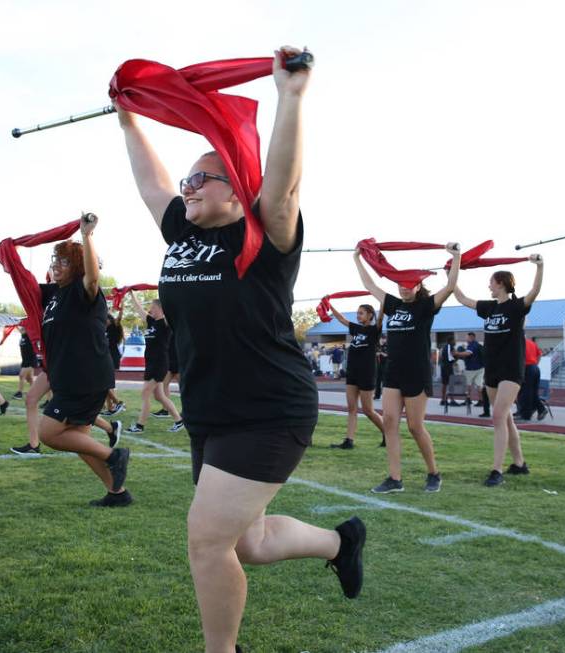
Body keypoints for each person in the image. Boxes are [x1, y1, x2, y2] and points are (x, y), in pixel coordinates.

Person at [117, 46, 363, 653]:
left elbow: (282, 188)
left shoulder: (262, 233)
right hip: (210, 411)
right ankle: (341, 542)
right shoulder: (182, 229)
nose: (188, 187)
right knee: (246, 543)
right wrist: (129, 119)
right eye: (188, 180)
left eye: (203, 178)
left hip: (269, 409)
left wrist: (291, 97)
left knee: (206, 540)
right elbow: (151, 184)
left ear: (235, 185)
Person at [34, 215, 129, 504]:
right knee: (78, 441)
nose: (56, 266)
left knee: (48, 433)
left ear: (75, 266)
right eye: (55, 261)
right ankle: (117, 493)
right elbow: (27, 286)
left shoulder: (83, 291)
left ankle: (114, 454)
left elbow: (92, 277)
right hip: (69, 377)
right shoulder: (55, 295)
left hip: (84, 378)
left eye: (63, 262)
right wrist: (9, 259)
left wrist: (87, 237)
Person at [356, 243, 462, 493]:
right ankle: (395, 478)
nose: (403, 288)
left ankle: (434, 473)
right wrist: (358, 260)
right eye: (400, 284)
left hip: (417, 373)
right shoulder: (393, 305)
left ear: (417, 286)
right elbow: (370, 286)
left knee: (415, 426)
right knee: (390, 422)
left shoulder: (425, 307)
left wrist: (456, 258)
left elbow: (449, 287)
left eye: (408, 285)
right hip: (393, 372)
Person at [454, 256, 543, 485]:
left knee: (498, 416)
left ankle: (497, 471)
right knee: (506, 419)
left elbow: (534, 291)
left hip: (511, 370)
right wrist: (452, 270)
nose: (489, 286)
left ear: (501, 283)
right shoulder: (489, 307)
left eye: (491, 282)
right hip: (491, 369)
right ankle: (519, 464)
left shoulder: (515, 307)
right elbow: (462, 298)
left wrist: (539, 266)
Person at [326, 302, 385, 450]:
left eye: (361, 313)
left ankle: (389, 434)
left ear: (370, 315)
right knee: (351, 408)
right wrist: (330, 306)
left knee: (368, 410)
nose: (358, 315)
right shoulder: (356, 329)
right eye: (357, 313)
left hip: (367, 373)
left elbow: (379, 320)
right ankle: (349, 441)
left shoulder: (374, 330)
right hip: (352, 372)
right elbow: (342, 319)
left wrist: (383, 303)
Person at [124, 292, 184, 433]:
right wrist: (132, 296)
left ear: (161, 309)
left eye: (153, 308)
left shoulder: (165, 323)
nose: (150, 310)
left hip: (159, 363)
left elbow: (172, 311)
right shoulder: (151, 321)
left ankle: (139, 426)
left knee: (145, 393)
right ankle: (179, 420)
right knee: (159, 396)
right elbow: (139, 309)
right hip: (150, 363)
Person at [458, 332, 491, 417]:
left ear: (472, 337)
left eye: (467, 337)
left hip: (471, 368)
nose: (466, 339)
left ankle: (468, 399)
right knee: (479, 385)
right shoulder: (478, 345)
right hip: (480, 368)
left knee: (468, 385)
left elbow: (468, 353)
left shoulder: (472, 345)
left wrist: (457, 354)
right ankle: (480, 400)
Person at [102, 308, 126, 416]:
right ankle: (111, 408)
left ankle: (117, 403)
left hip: (112, 357)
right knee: (107, 384)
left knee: (104, 383)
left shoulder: (114, 327)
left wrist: (122, 305)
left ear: (109, 320)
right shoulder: (104, 329)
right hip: (105, 357)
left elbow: (119, 317)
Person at [516, 335, 547, 421]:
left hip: (526, 368)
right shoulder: (532, 343)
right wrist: (535, 364)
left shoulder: (518, 343)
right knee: (532, 392)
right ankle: (540, 409)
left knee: (525, 393)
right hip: (534, 368)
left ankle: (526, 415)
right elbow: (540, 354)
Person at [438, 335, 462, 406]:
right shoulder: (451, 347)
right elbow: (456, 355)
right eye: (454, 341)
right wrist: (456, 359)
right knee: (451, 384)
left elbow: (441, 357)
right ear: (451, 341)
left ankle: (443, 400)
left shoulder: (444, 347)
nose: (455, 342)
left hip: (443, 367)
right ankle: (452, 400)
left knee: (444, 384)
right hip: (448, 367)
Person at [14, 326, 35, 399]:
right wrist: (15, 326)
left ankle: (19, 393)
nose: (22, 329)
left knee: (21, 375)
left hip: (30, 359)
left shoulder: (29, 337)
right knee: (29, 378)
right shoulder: (23, 336)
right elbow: (20, 330)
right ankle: (34, 392)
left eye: (24, 328)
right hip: (25, 360)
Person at [374, 334, 388, 400]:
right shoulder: (376, 345)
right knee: (377, 381)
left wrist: (381, 353)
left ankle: (386, 396)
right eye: (382, 338)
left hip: (385, 365)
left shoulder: (387, 346)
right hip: (377, 365)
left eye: (384, 339)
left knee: (384, 381)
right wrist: (376, 353)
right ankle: (377, 395)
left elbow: (387, 354)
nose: (384, 340)